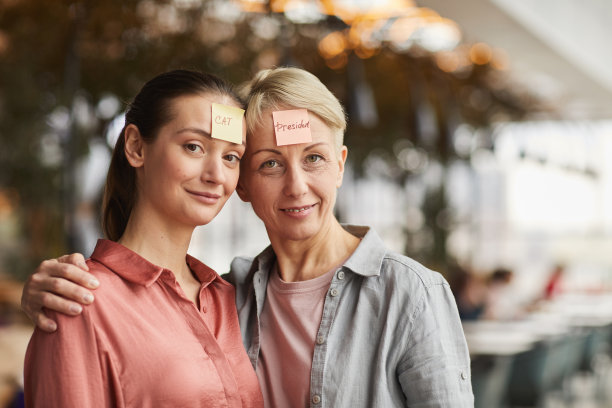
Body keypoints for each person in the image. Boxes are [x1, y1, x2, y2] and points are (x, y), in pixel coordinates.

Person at [22, 67, 474, 407]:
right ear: (245, 186)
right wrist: (49, 292)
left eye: (314, 158)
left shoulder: (409, 292)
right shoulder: (233, 294)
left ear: (340, 164)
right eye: (270, 163)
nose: (296, 186)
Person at [23, 70, 263, 407]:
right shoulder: (78, 301)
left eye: (231, 156)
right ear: (136, 147)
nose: (216, 175)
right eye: (194, 147)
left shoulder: (229, 297)